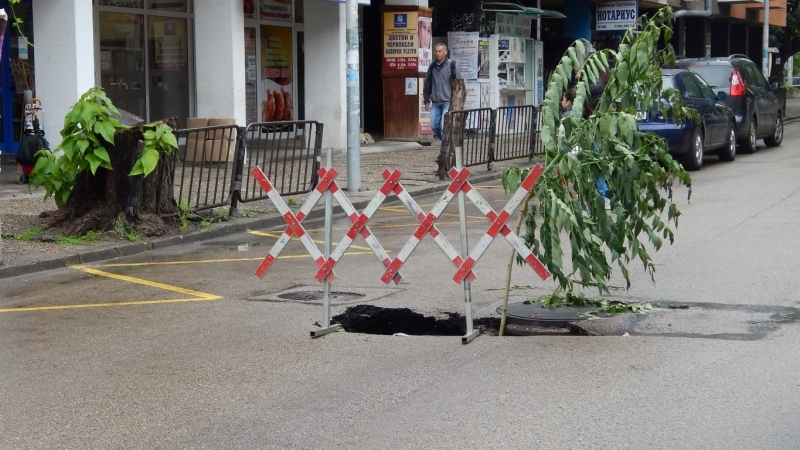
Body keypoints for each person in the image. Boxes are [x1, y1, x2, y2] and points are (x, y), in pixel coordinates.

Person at [423, 43, 460, 162]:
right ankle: (446, 143)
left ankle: (444, 149)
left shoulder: (452, 65)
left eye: (440, 51)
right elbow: (427, 84)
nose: (437, 53)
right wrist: (426, 99)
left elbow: (458, 84)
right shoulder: (432, 67)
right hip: (436, 102)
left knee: (444, 125)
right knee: (434, 126)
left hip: (447, 101)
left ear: (445, 52)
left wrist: (456, 100)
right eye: (436, 51)